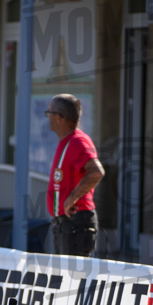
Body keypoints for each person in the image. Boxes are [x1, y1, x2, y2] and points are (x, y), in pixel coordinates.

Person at [45, 94, 105, 257]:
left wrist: (72, 198)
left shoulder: (78, 141)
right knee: (65, 280)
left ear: (58, 118)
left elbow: (96, 172)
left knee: (74, 280)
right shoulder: (67, 141)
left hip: (76, 224)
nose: (47, 117)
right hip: (67, 226)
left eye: (48, 113)